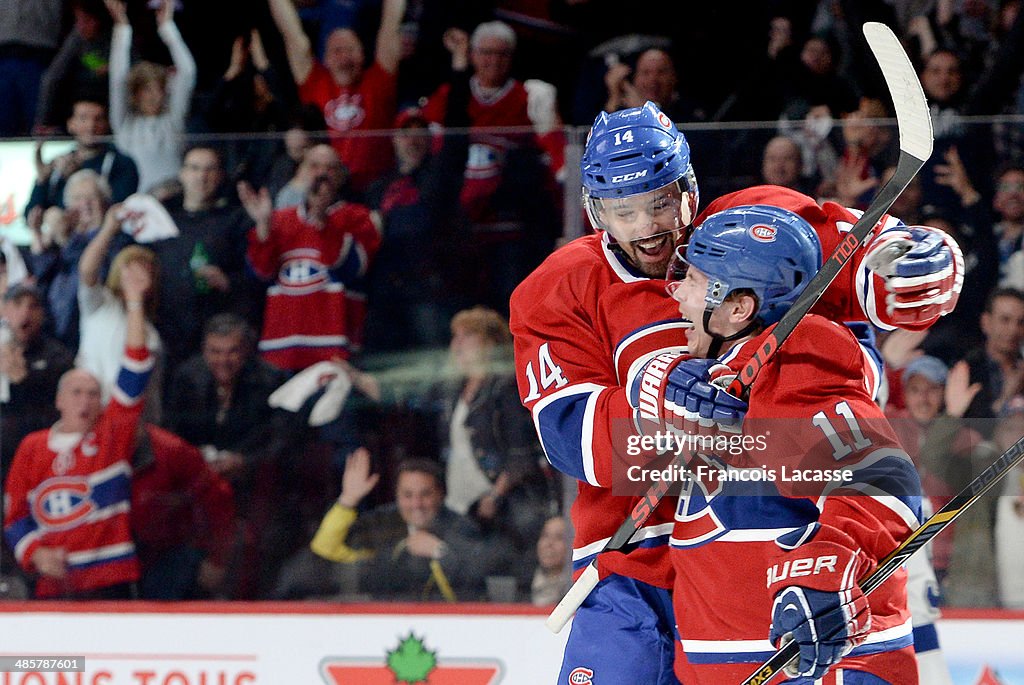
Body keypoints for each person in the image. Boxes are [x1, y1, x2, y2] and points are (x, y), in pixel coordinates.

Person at [509, 101, 962, 684]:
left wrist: (909, 269)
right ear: (595, 210)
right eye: (624, 211)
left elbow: (867, 263)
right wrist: (655, 402)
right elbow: (568, 437)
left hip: (776, 540)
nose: (648, 226)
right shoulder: (558, 289)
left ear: (689, 188)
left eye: (661, 200)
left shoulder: (759, 230)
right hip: (636, 557)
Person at [632, 204, 922, 683]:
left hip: (821, 667)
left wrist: (831, 562)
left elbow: (879, 476)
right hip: (735, 663)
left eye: (696, 279)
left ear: (739, 307)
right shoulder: (727, 381)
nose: (677, 292)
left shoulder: (792, 365)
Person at [3, 260, 153, 599]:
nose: (84, 402)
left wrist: (134, 302)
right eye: (76, 393)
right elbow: (15, 519)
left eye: (92, 395)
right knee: (48, 658)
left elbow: (135, 370)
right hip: (53, 587)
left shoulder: (111, 435)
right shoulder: (33, 447)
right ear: (59, 400)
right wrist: (36, 553)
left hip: (110, 582)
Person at [238, 166, 380, 372]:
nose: (320, 174)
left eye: (328, 167)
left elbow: (352, 270)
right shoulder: (277, 219)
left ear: (341, 176)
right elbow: (260, 273)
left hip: (334, 345)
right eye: (313, 165)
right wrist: (262, 225)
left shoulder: (357, 217)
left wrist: (323, 225)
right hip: (281, 346)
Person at [308, 450, 499, 600]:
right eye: (407, 495)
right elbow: (325, 549)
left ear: (441, 495)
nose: (416, 504)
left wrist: (441, 552)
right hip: (387, 624)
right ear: (397, 497)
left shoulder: (462, 527)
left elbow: (478, 582)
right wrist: (347, 500)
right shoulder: (381, 524)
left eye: (425, 494)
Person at [267, 0, 405, 194]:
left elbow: (391, 26)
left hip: (375, 189)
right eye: (337, 51)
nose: (344, 57)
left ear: (363, 56)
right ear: (326, 59)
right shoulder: (315, 82)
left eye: (350, 50)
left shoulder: (378, 81)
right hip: (325, 190)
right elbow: (294, 38)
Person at [105, 0, 197, 193]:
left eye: (159, 89)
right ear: (135, 95)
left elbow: (187, 73)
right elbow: (117, 80)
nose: (154, 96)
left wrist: (168, 29)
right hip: (137, 207)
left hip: (174, 202)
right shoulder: (124, 124)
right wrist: (122, 31)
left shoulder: (173, 121)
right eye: (147, 90)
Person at [0, 283, 75, 467]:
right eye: (18, 304)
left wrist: (24, 381)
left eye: (33, 306)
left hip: (36, 455)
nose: (25, 313)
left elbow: (59, 414)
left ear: (42, 314)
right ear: (5, 309)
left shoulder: (57, 356)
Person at [26, 98, 140, 214]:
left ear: (106, 124)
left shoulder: (122, 164)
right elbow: (31, 216)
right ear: (70, 124)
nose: (91, 126)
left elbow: (118, 210)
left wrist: (75, 176)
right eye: (83, 118)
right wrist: (41, 181)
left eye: (98, 119)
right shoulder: (58, 164)